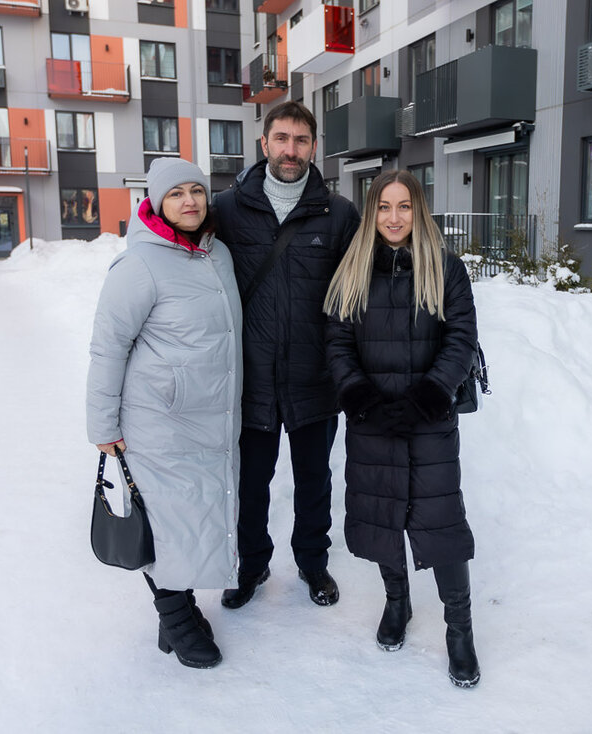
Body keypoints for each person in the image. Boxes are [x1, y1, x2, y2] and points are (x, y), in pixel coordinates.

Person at [323, 169, 481, 687]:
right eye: (385, 207)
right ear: (372, 212)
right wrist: (361, 397)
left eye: (405, 206)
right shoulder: (352, 269)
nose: (394, 217)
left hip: (429, 420)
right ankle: (397, 602)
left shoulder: (446, 268)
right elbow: (337, 342)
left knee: (441, 523)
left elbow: (461, 338)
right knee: (382, 516)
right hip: (373, 421)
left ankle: (460, 629)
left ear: (419, 210)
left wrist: (428, 396)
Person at [86, 158, 242, 670]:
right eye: (176, 193)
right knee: (166, 522)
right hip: (158, 420)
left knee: (192, 518)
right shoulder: (139, 265)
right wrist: (102, 425)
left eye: (196, 190)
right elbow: (108, 347)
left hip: (211, 416)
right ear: (155, 202)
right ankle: (176, 618)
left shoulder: (217, 254)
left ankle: (179, 612)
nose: (189, 201)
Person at [213, 101, 360, 609]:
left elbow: (357, 295)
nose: (290, 150)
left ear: (314, 147)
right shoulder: (227, 209)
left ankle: (313, 563)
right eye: (281, 138)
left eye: (300, 140)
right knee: (251, 483)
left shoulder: (339, 214)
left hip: (314, 378)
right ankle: (251, 565)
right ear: (265, 143)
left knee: (315, 481)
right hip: (250, 379)